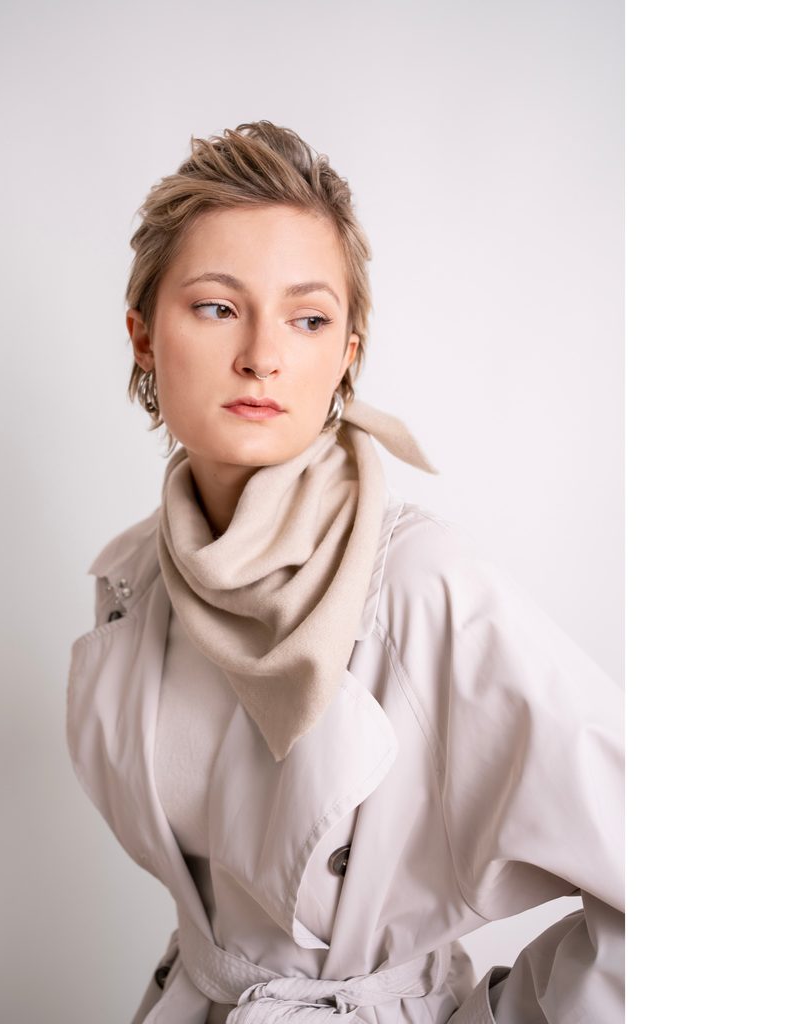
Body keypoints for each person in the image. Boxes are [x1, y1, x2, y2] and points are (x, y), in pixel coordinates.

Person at [65, 121, 624, 1023]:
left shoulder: (417, 585)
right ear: (142, 335)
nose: (262, 354)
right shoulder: (138, 577)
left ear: (346, 356)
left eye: (309, 318)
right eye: (217, 307)